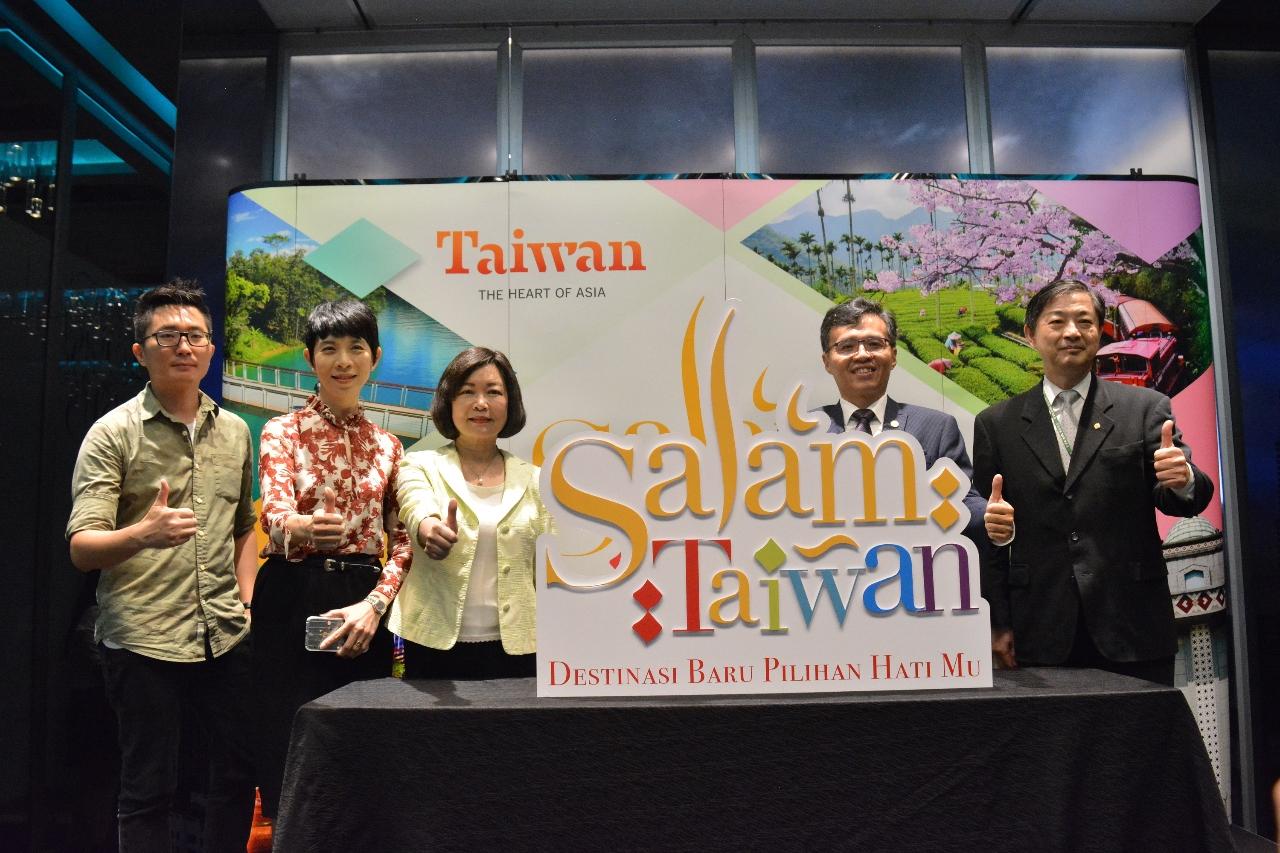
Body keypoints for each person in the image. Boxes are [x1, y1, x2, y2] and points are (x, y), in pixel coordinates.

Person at [66, 280, 256, 853]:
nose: (183, 346)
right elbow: (81, 546)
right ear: (140, 351)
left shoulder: (236, 430)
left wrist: (246, 599)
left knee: (234, 776)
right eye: (167, 335)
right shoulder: (112, 433)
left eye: (195, 335)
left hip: (223, 632)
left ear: (211, 347)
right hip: (142, 637)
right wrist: (140, 535)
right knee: (149, 789)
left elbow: (245, 525)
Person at [974, 280, 1212, 685]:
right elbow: (991, 538)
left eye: (1084, 321)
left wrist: (1183, 478)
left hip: (1132, 622)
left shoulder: (1145, 408)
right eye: (1057, 321)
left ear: (1099, 332)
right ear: (1031, 334)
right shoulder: (997, 424)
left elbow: (1183, 498)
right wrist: (997, 622)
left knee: (1141, 745)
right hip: (1039, 626)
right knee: (1049, 747)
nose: (1072, 332)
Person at [252, 298, 412, 819]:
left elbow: (403, 540)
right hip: (292, 588)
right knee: (286, 728)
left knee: (359, 732)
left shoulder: (390, 446)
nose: (343, 360)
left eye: (355, 348)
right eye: (330, 349)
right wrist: (296, 527)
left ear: (375, 357)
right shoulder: (283, 430)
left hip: (362, 600)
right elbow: (271, 512)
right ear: (309, 358)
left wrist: (377, 603)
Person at [392, 347, 553, 679]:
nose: (481, 403)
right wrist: (428, 527)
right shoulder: (418, 465)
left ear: (511, 404)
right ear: (448, 402)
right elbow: (414, 504)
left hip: (519, 647)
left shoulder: (537, 479)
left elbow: (554, 563)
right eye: (467, 392)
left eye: (493, 392)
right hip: (433, 645)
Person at [816, 298, 988, 550]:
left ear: (893, 356)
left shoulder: (937, 428)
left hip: (916, 576)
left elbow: (961, 501)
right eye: (847, 346)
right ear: (827, 361)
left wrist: (989, 515)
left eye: (874, 344)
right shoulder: (804, 432)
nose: (862, 354)